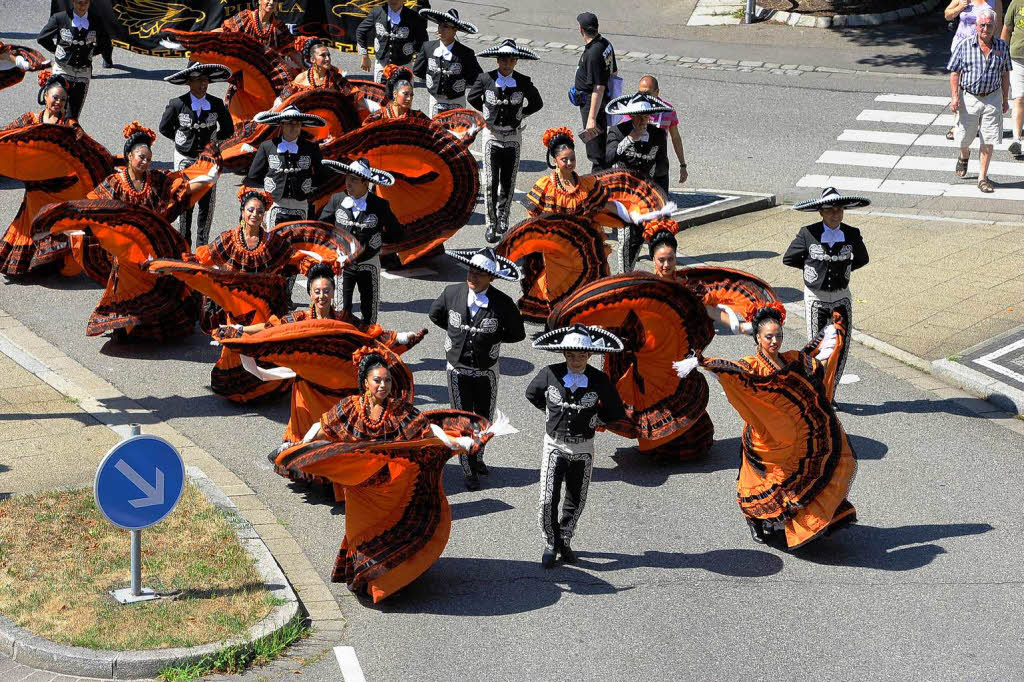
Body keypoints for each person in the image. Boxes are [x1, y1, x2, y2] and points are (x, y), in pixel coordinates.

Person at [272, 349, 504, 603]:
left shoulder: (399, 410)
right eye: (378, 380)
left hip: (391, 488)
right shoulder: (350, 406)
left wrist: (458, 443)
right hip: (361, 488)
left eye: (388, 381)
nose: (384, 385)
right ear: (365, 383)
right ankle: (366, 576)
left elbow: (429, 429)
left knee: (392, 528)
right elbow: (322, 426)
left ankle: (384, 581)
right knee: (359, 534)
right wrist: (301, 446)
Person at [675, 304, 857, 550]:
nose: (775, 341)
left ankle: (814, 519)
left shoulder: (790, 358)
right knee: (769, 483)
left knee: (822, 465)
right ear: (758, 338)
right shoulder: (752, 365)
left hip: (798, 437)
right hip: (767, 441)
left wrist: (831, 334)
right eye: (769, 337)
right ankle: (754, 519)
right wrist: (704, 362)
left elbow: (811, 360)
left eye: (778, 336)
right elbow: (735, 372)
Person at [527, 324, 627, 568]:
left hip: (583, 448)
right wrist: (550, 413)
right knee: (548, 498)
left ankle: (565, 537)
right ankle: (550, 543)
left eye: (581, 355)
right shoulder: (550, 373)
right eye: (571, 355)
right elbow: (532, 393)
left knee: (577, 498)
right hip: (555, 445)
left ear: (589, 355)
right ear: (564, 354)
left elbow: (615, 410)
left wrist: (595, 421)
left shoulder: (599, 379)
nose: (576, 360)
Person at [428, 247, 526, 490]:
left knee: (484, 419)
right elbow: (435, 315)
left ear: (491, 278)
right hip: (457, 369)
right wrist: (457, 338)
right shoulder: (452, 293)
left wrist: (491, 342)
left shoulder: (503, 303)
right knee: (463, 420)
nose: (473, 277)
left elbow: (517, 333)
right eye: (471, 272)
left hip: (486, 371)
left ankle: (477, 457)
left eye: (480, 274)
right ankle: (467, 468)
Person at [783, 187, 870, 393]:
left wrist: (844, 270)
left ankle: (831, 391)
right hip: (817, 298)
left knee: (841, 347)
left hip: (841, 298)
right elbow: (789, 258)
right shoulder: (808, 233)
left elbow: (862, 259)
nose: (835, 214)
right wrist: (813, 271)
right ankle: (817, 391)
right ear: (821, 212)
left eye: (839, 210)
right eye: (830, 210)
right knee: (818, 348)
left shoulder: (851, 233)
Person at [0, 71, 79, 276]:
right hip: (35, 183)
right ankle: (34, 263)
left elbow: (85, 150)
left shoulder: (69, 126)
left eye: (62, 99)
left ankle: (51, 262)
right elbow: (8, 136)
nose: (58, 102)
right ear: (45, 96)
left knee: (54, 221)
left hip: (59, 184)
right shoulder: (30, 118)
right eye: (55, 97)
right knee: (33, 220)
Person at [469, 38, 543, 243]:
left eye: (510, 59)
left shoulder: (523, 81)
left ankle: (503, 218)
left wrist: (522, 114)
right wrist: (488, 113)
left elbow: (537, 103)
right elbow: (473, 98)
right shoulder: (486, 79)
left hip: (512, 136)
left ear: (516, 61)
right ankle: (490, 224)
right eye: (503, 59)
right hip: (492, 134)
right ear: (497, 60)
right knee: (491, 181)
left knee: (508, 181)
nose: (506, 63)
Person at [159, 62, 234, 250]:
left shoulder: (216, 104)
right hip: (185, 159)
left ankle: (202, 246)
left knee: (207, 203)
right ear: (189, 82)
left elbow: (228, 129)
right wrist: (181, 139)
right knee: (184, 201)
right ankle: (184, 244)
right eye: (199, 80)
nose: (203, 84)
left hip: (207, 161)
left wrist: (214, 143)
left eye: (206, 80)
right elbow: (164, 128)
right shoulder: (178, 104)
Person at [318, 158, 401, 325]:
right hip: (343, 264)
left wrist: (380, 241)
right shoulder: (337, 200)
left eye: (354, 180)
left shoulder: (379, 205)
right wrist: (332, 247)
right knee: (342, 311)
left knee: (369, 312)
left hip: (369, 264)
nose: (348, 183)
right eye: (347, 178)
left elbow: (397, 233)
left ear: (365, 183)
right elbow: (322, 227)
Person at [948, 6, 1011, 193]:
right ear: (976, 25)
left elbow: (1005, 74)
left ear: (995, 26)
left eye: (989, 25)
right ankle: (964, 155)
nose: (985, 29)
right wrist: (954, 97)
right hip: (969, 98)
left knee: (988, 138)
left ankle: (982, 178)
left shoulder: (1002, 47)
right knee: (963, 139)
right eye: (982, 25)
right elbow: (954, 73)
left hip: (992, 97)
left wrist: (1005, 99)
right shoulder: (964, 45)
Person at [243, 105, 326, 226]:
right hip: (275, 202)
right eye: (290, 123)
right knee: (273, 239)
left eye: (297, 124)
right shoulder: (267, 146)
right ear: (281, 125)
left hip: (301, 203)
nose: (294, 127)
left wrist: (307, 187)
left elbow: (321, 175)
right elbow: (254, 175)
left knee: (298, 240)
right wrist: (270, 186)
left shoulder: (311, 148)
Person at [36, 0, 111, 120]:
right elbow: (42, 38)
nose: (82, 6)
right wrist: (57, 51)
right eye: (79, 2)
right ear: (73, 2)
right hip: (62, 71)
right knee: (56, 112)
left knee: (72, 117)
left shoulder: (96, 20)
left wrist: (90, 53)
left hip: (83, 74)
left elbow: (106, 43)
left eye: (85, 3)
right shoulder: (59, 18)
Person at [413, 8, 482, 117]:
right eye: (439, 25)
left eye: (445, 27)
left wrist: (459, 84)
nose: (440, 30)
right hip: (436, 99)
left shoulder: (466, 53)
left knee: (456, 131)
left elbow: (476, 78)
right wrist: (434, 80)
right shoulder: (428, 47)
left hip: (457, 100)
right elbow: (418, 70)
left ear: (455, 30)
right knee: (436, 130)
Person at [572, 11, 616, 172]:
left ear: (581, 29)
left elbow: (599, 87)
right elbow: (613, 73)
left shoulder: (593, 53)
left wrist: (591, 118)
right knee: (599, 147)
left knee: (596, 151)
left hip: (592, 104)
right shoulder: (605, 44)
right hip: (598, 102)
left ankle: (598, 184)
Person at [604, 92, 672, 193]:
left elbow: (663, 168)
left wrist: (662, 195)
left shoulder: (658, 134)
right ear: (632, 115)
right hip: (622, 186)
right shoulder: (617, 131)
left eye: (645, 116)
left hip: (647, 188)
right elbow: (608, 158)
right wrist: (629, 139)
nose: (643, 120)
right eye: (639, 115)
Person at [357, 0, 429, 84]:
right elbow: (361, 31)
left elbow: (423, 40)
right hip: (382, 65)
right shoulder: (377, 12)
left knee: (403, 95)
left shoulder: (413, 16)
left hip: (404, 65)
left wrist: (420, 62)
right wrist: (364, 56)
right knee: (381, 95)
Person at [637, 75, 688, 185]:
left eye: (647, 94)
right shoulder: (633, 108)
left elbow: (675, 138)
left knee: (662, 198)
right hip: (638, 160)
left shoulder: (668, 110)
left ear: (657, 92)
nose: (643, 97)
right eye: (640, 93)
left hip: (659, 161)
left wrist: (682, 165)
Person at [364, 65, 429, 122]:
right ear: (395, 94)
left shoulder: (418, 117)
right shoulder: (379, 117)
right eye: (405, 94)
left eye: (411, 95)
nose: (409, 98)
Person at [1001, 0, 1024, 155]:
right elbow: (1007, 30)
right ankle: (1017, 139)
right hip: (1017, 59)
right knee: (1019, 98)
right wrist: (1000, 55)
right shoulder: (1017, 3)